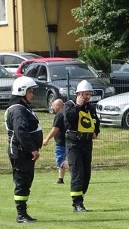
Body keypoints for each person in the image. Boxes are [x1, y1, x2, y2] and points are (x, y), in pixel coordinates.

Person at [5, 76, 43, 223]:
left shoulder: (23, 108)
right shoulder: (18, 110)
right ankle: (21, 214)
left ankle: (23, 212)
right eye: (30, 91)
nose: (32, 94)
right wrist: (32, 149)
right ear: (22, 92)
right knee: (22, 181)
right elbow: (21, 131)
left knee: (26, 180)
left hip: (24, 151)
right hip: (21, 151)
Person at [64, 80, 100, 212]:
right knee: (77, 173)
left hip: (87, 143)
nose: (88, 97)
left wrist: (96, 131)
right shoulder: (69, 105)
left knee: (86, 174)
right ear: (79, 94)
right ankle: (76, 204)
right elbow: (69, 119)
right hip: (74, 143)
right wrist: (78, 106)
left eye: (89, 94)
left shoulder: (90, 107)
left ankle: (81, 200)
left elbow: (96, 121)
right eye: (85, 94)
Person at [42, 98, 68, 184]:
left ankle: (77, 169)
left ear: (58, 106)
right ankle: (60, 179)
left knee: (60, 161)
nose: (52, 108)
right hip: (69, 141)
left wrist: (47, 139)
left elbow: (55, 129)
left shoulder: (59, 115)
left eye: (53, 106)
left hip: (61, 142)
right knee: (64, 160)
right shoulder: (67, 114)